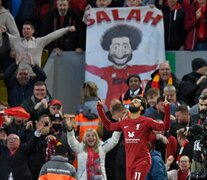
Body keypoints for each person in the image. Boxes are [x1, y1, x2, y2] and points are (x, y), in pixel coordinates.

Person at [97, 96, 170, 180]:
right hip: (129, 163)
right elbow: (109, 126)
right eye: (132, 101)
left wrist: (167, 109)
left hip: (142, 161)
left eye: (135, 101)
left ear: (141, 107)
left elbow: (165, 126)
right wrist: (100, 109)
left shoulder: (147, 121)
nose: (132, 102)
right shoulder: (124, 122)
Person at [86, 24, 157, 107]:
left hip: (130, 108)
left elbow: (148, 68)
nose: (120, 51)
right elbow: (94, 70)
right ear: (108, 49)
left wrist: (157, 62)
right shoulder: (107, 71)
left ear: (132, 49)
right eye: (115, 47)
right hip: (111, 109)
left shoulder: (133, 70)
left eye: (125, 46)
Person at [4, 20, 75, 70]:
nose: (25, 30)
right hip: (20, 76)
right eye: (24, 29)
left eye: (28, 29)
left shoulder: (39, 42)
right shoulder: (16, 41)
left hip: (35, 76)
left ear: (33, 31)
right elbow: (5, 35)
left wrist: (67, 29)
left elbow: (53, 35)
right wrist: (3, 31)